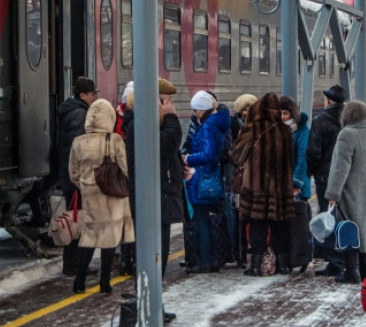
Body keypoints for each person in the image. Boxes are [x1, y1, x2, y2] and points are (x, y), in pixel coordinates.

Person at [68, 99, 134, 294]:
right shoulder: (114, 140)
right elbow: (125, 168)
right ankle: (104, 283)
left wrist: (86, 186)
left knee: (89, 238)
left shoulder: (78, 142)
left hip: (90, 198)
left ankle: (79, 281)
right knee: (110, 239)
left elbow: (73, 173)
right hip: (113, 197)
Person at [232, 93, 295, 276]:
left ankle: (255, 266)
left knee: (257, 225)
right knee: (279, 225)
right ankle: (282, 265)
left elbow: (236, 155)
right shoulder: (285, 131)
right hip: (280, 188)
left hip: (256, 187)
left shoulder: (253, 128)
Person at [120, 78, 178, 276]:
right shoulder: (142, 123)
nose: (170, 105)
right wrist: (171, 118)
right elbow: (167, 145)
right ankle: (148, 295)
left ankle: (151, 292)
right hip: (151, 195)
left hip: (155, 192)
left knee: (155, 244)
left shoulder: (141, 121)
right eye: (166, 101)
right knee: (154, 245)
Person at [325, 101, 366, 284]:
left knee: (349, 228)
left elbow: (339, 168)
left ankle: (351, 271)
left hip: (349, 190)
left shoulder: (346, 134)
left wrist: (333, 194)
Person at [56, 76, 99, 275]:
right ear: (83, 95)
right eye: (92, 94)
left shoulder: (72, 111)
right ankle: (73, 265)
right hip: (76, 179)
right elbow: (78, 148)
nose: (94, 97)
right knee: (77, 219)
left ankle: (73, 264)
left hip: (70, 177)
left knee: (75, 217)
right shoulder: (80, 115)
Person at [183, 90, 230, 273]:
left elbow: (207, 154)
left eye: (196, 110)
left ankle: (205, 262)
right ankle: (211, 259)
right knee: (207, 221)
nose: (194, 113)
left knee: (201, 221)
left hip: (202, 178)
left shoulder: (208, 127)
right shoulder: (216, 124)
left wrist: (188, 159)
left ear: (203, 109)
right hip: (210, 176)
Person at [307, 85, 348, 215]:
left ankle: (330, 236)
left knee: (326, 215)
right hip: (345, 174)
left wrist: (310, 172)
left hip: (324, 177)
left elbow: (313, 152)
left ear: (329, 101)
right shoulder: (349, 120)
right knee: (344, 215)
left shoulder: (319, 121)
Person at [279, 96, 311, 201]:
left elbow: (303, 159)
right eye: (280, 113)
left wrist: (296, 182)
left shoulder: (302, 132)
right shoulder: (283, 131)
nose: (282, 117)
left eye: (285, 113)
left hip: (296, 188)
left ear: (293, 114)